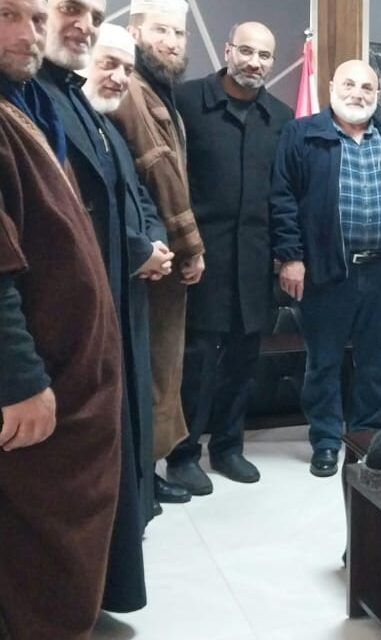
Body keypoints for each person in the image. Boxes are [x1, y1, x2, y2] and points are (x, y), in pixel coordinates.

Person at [0, 0, 125, 636]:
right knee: (35, 565)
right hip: (38, 395)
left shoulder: (25, 105)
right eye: (7, 16)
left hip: (71, 385)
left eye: (33, 19)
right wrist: (19, 378)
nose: (29, 34)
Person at [38, 4, 157, 613]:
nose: (82, 25)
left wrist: (147, 244)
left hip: (114, 303)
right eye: (68, 10)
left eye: (92, 13)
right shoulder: (34, 101)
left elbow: (124, 199)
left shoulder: (77, 103)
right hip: (62, 330)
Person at [168, 21, 293, 491]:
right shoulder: (185, 102)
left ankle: (227, 447)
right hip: (199, 260)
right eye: (246, 51)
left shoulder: (280, 118)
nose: (254, 62)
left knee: (243, 361)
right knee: (196, 362)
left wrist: (288, 254)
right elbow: (168, 181)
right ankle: (183, 454)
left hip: (255, 262)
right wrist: (181, 246)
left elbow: (284, 195)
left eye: (264, 56)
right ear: (227, 51)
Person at [270, 59, 381, 477]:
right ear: (332, 87)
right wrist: (291, 257)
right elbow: (282, 198)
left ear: (377, 95)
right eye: (349, 84)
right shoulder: (302, 134)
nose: (358, 94)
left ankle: (366, 435)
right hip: (326, 270)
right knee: (324, 362)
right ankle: (327, 441)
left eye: (367, 88)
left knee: (378, 363)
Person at [110, 0, 206, 502]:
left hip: (158, 253)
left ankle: (146, 475)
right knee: (149, 371)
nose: (171, 42)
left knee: (160, 368)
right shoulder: (130, 88)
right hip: (150, 259)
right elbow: (159, 173)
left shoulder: (156, 90)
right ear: (134, 31)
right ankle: (142, 481)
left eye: (179, 33)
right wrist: (190, 248)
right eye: (160, 31)